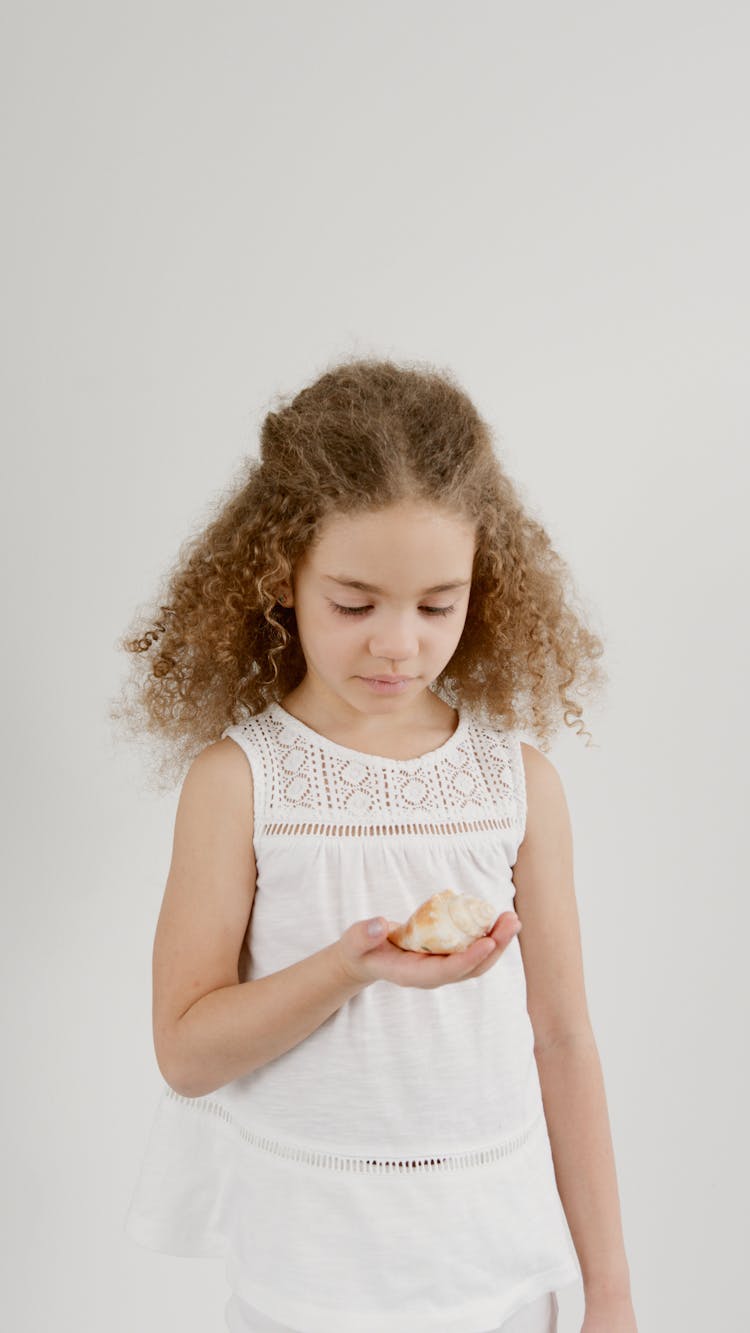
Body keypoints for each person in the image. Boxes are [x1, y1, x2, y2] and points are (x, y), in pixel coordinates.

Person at [115, 358, 637, 1332]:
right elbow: (187, 1053)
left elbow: (563, 1039)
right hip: (313, 1275)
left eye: (438, 604)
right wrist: (349, 967)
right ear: (281, 574)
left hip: (501, 1270)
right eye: (355, 603)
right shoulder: (242, 782)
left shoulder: (517, 784)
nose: (399, 644)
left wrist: (609, 1292)